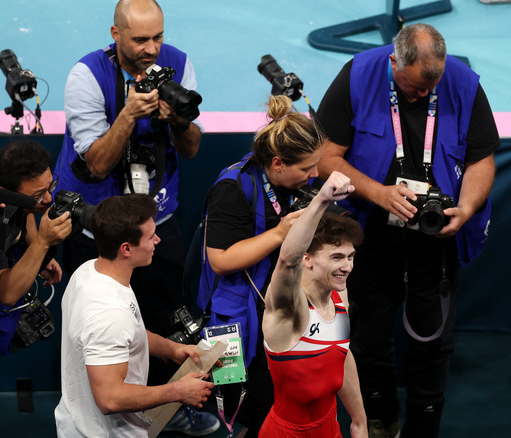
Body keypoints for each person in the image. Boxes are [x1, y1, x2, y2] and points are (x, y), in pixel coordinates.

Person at [316, 23, 500, 437]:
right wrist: (378, 193)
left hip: (436, 242)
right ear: (393, 60)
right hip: (367, 238)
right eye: (413, 87)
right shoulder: (357, 75)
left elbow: (481, 159)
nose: (421, 96)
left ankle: (423, 428)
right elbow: (325, 158)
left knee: (434, 344)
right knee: (368, 340)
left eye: (429, 88)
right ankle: (380, 421)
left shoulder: (464, 84)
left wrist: (467, 207)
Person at [54, 0, 216, 433]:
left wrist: (178, 120)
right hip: (100, 224)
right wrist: (129, 113)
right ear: (115, 34)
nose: (152, 49)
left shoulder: (178, 65)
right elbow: (96, 163)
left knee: (164, 314)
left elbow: (193, 148)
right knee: (100, 318)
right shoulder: (86, 76)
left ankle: (167, 407)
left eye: (158, 37)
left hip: (156, 222)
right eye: (141, 39)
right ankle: (96, 403)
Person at [196, 94, 321, 436]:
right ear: (278, 163)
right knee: (234, 408)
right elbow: (220, 261)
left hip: (274, 316)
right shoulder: (233, 188)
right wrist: (281, 232)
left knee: (274, 406)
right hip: (228, 322)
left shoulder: (293, 185)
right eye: (307, 168)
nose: (315, 174)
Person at [55, 193, 215, 437]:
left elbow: (130, 332)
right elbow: (110, 399)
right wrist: (177, 391)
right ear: (126, 248)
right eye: (151, 237)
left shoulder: (89, 272)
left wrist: (172, 349)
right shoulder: (109, 314)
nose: (158, 240)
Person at [0, 139, 73, 437]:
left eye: (51, 185)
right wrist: (44, 244)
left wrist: (30, 249)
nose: (49, 199)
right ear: (6, 193)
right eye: (39, 194)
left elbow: (27, 214)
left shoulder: (2, 166)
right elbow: (7, 293)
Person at [260, 171, 366, 437]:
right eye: (337, 257)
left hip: (330, 428)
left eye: (351, 257)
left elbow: (341, 353)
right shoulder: (288, 311)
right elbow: (287, 260)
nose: (347, 267)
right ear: (307, 259)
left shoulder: (338, 297)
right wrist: (321, 200)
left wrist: (359, 421)